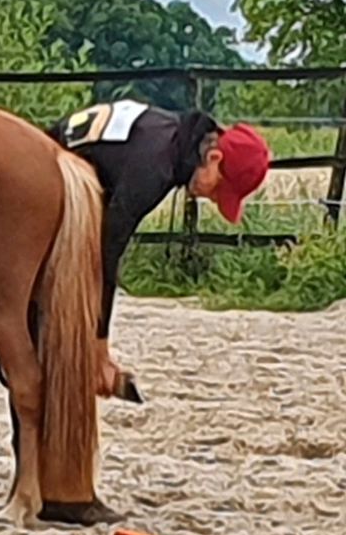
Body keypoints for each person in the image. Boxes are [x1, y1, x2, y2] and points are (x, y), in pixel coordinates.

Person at [44, 100, 272, 402]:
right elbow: (105, 253)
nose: (213, 198)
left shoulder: (168, 134)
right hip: (48, 175)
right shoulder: (156, 168)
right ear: (214, 157)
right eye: (218, 189)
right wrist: (100, 349)